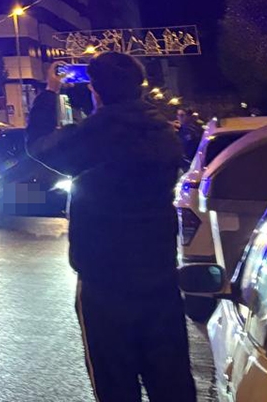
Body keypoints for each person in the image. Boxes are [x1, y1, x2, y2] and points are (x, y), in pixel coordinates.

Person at [27, 53, 196, 402]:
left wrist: (50, 91)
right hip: (159, 277)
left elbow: (40, 146)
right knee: (172, 382)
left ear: (96, 91)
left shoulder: (97, 133)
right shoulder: (163, 131)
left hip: (105, 283)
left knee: (115, 384)